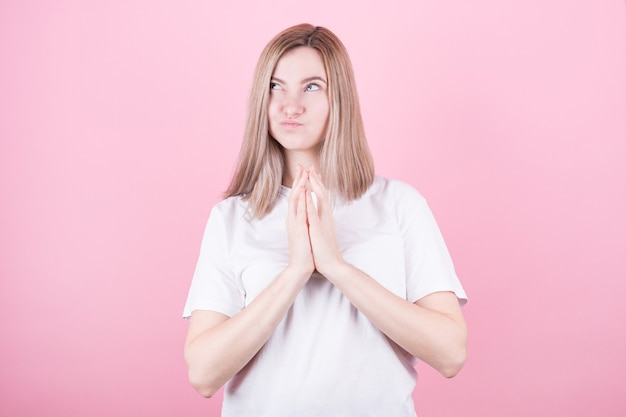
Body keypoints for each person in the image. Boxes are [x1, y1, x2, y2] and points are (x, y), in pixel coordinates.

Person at [183, 23, 467, 417]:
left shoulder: (400, 205)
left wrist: (336, 267)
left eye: (312, 86)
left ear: (341, 99)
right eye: (275, 86)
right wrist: (296, 271)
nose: (290, 105)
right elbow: (203, 374)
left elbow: (451, 353)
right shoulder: (231, 218)